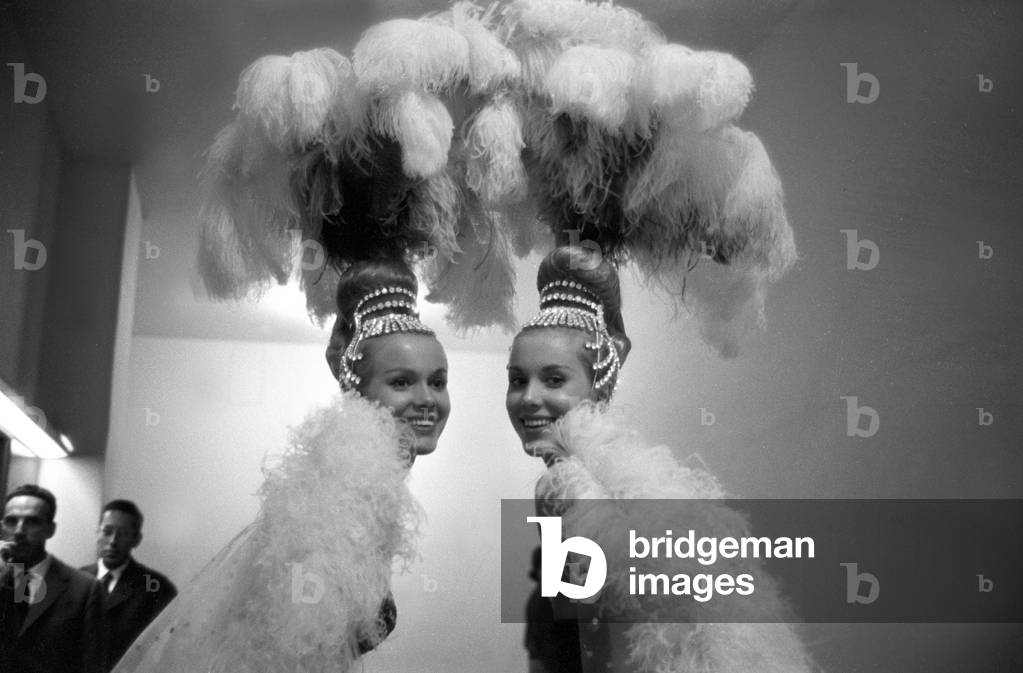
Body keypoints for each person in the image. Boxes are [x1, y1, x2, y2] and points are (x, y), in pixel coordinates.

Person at [111, 258, 450, 673]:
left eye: (437, 381)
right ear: (358, 389)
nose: (428, 400)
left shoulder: (363, 480)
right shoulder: (342, 490)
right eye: (401, 382)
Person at [507, 246, 816, 673]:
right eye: (517, 380)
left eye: (555, 379)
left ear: (598, 385)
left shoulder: (600, 488)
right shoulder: (566, 484)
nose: (528, 399)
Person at [0, 484, 106, 673]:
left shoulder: (84, 589)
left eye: (32, 522)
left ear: (50, 529)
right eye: (11, 521)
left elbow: (92, 664)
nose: (18, 531)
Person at [80, 500, 177, 669]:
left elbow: (166, 647)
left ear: (136, 540)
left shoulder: (155, 587)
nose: (112, 541)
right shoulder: (76, 580)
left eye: (123, 534)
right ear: (97, 533)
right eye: (107, 532)